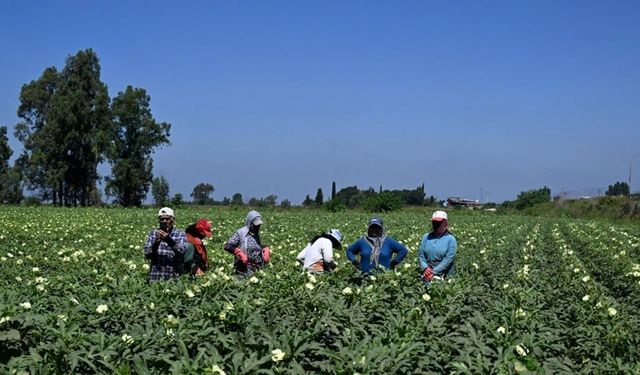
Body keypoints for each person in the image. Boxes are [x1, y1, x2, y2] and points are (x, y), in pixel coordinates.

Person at [143, 207, 187, 281]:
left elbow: (182, 252)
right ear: (159, 221)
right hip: (156, 277)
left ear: (173, 220)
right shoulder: (153, 233)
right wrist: (156, 244)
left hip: (174, 278)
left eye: (167, 219)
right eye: (162, 219)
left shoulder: (180, 234)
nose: (164, 221)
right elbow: (147, 255)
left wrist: (169, 240)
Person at [223, 210, 270, 276]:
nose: (258, 227)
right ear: (249, 223)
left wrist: (266, 249)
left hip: (257, 269)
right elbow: (227, 246)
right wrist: (238, 252)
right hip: (243, 269)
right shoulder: (240, 233)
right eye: (255, 225)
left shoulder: (256, 234)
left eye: (259, 225)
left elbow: (257, 246)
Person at [418, 210, 457, 282]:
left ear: (445, 223)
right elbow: (421, 255)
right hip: (427, 272)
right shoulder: (426, 237)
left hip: (444, 274)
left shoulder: (451, 239)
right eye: (434, 222)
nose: (436, 225)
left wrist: (433, 272)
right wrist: (425, 268)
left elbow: (448, 259)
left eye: (439, 223)